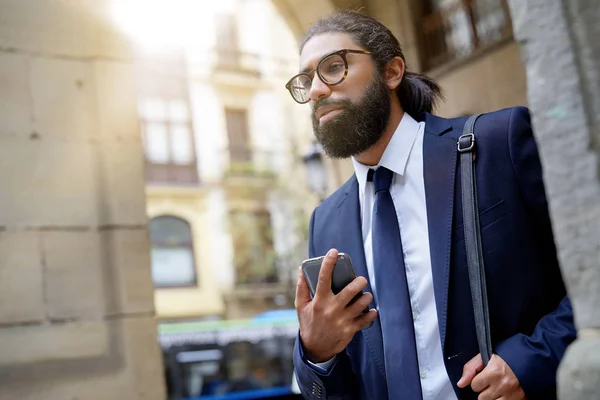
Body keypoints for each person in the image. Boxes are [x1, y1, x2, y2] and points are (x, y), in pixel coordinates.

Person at [287, 10, 576, 400]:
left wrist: (532, 359)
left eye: (334, 67)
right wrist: (316, 352)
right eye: (306, 81)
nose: (317, 90)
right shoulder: (326, 220)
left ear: (392, 72)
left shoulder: (498, 143)